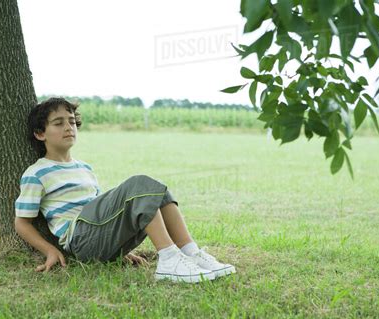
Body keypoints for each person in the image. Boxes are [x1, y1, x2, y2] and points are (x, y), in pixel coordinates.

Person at [14, 97, 236, 283]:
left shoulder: (84, 168)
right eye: (58, 123)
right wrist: (49, 250)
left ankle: (191, 253)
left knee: (158, 193)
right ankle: (169, 259)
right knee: (140, 185)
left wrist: (119, 248)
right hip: (81, 240)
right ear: (40, 134)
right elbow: (22, 222)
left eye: (71, 121)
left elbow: (104, 217)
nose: (68, 127)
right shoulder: (37, 172)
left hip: (98, 236)